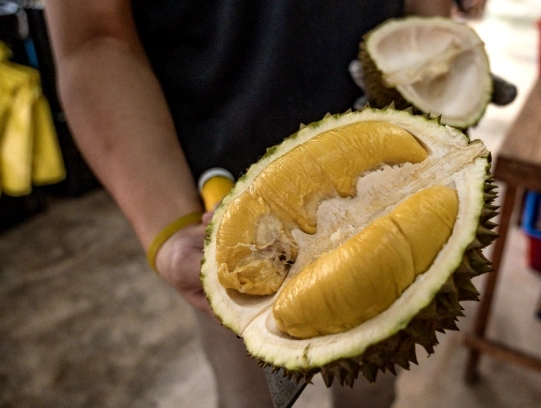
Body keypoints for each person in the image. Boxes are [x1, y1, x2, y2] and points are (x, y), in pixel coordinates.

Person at [43, 1, 452, 407]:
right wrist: (168, 226)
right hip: (222, 213)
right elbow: (94, 38)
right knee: (248, 397)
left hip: (392, 172)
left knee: (371, 388)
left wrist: (438, 44)